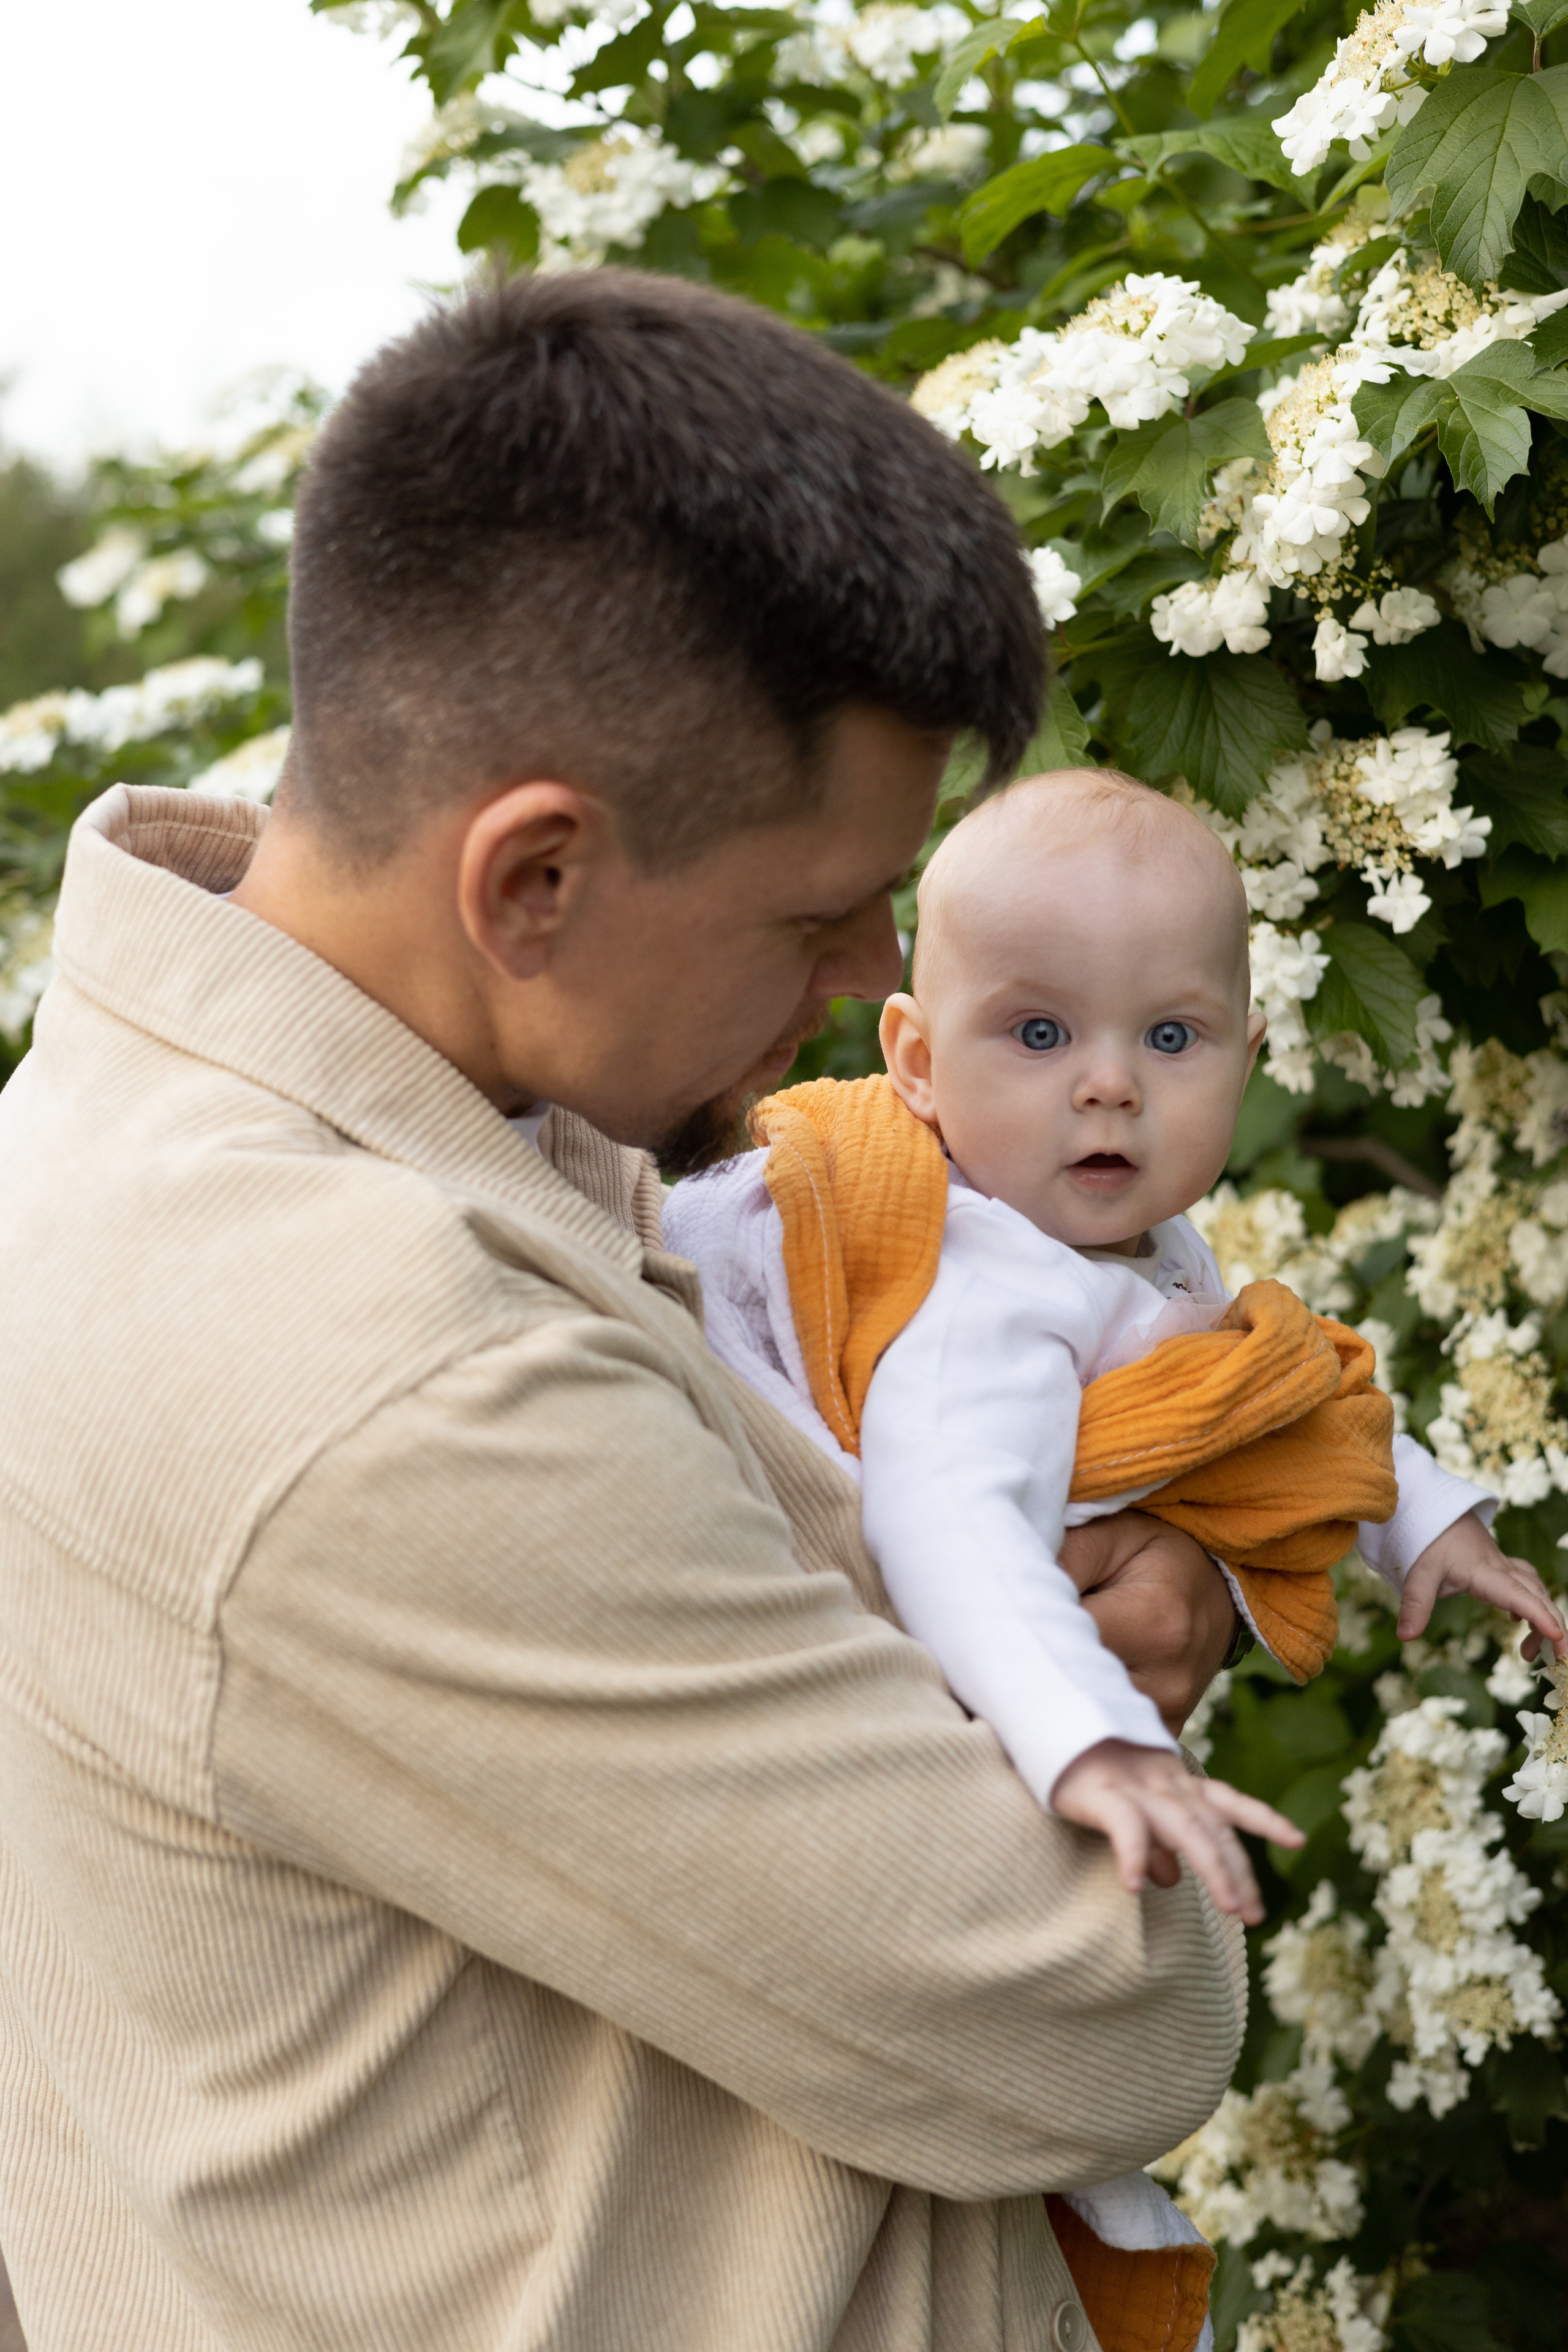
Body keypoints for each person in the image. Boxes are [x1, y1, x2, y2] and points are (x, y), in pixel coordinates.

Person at [0, 274, 1248, 2352]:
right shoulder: (386, 1369)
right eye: (814, 902)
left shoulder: (104, 1127)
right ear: (535, 882)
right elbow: (1106, 2021)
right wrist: (1085, 1682)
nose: (875, 975)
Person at [666, 767, 1566, 1902]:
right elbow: (950, 1518)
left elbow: (1247, 1392)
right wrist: (1094, 1736)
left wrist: (1432, 1524)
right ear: (918, 1065)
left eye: (1171, 1037)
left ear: (1246, 1066)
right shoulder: (981, 1288)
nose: (1110, 1086)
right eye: (1039, 1031)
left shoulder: (1123, 1239)